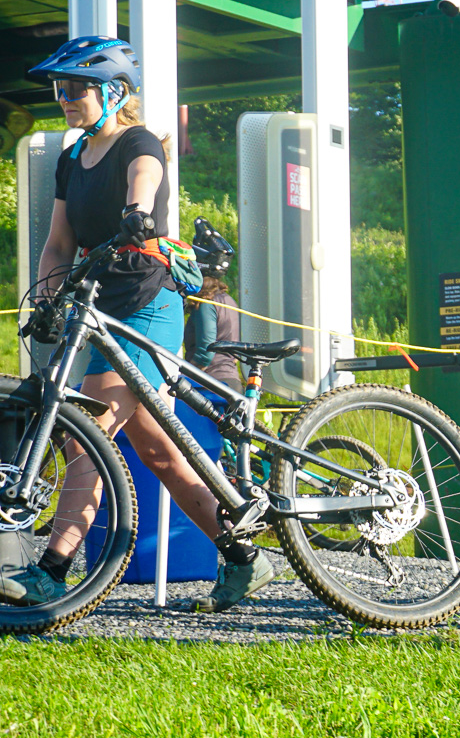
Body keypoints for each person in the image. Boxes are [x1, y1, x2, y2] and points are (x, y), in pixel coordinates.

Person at [0, 37, 275, 613]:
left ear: (113, 93)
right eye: (60, 88)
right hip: (97, 307)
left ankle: (53, 572)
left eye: (76, 88)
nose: (65, 98)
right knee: (157, 451)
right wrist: (47, 298)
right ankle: (245, 555)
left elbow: (146, 173)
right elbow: (57, 245)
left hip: (147, 301)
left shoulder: (137, 142)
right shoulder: (72, 160)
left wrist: (137, 210)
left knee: (88, 431)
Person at [184, 218, 245, 402]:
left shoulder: (206, 303)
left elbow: (205, 351)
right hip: (232, 382)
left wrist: (186, 377)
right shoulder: (229, 300)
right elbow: (233, 354)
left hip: (211, 386)